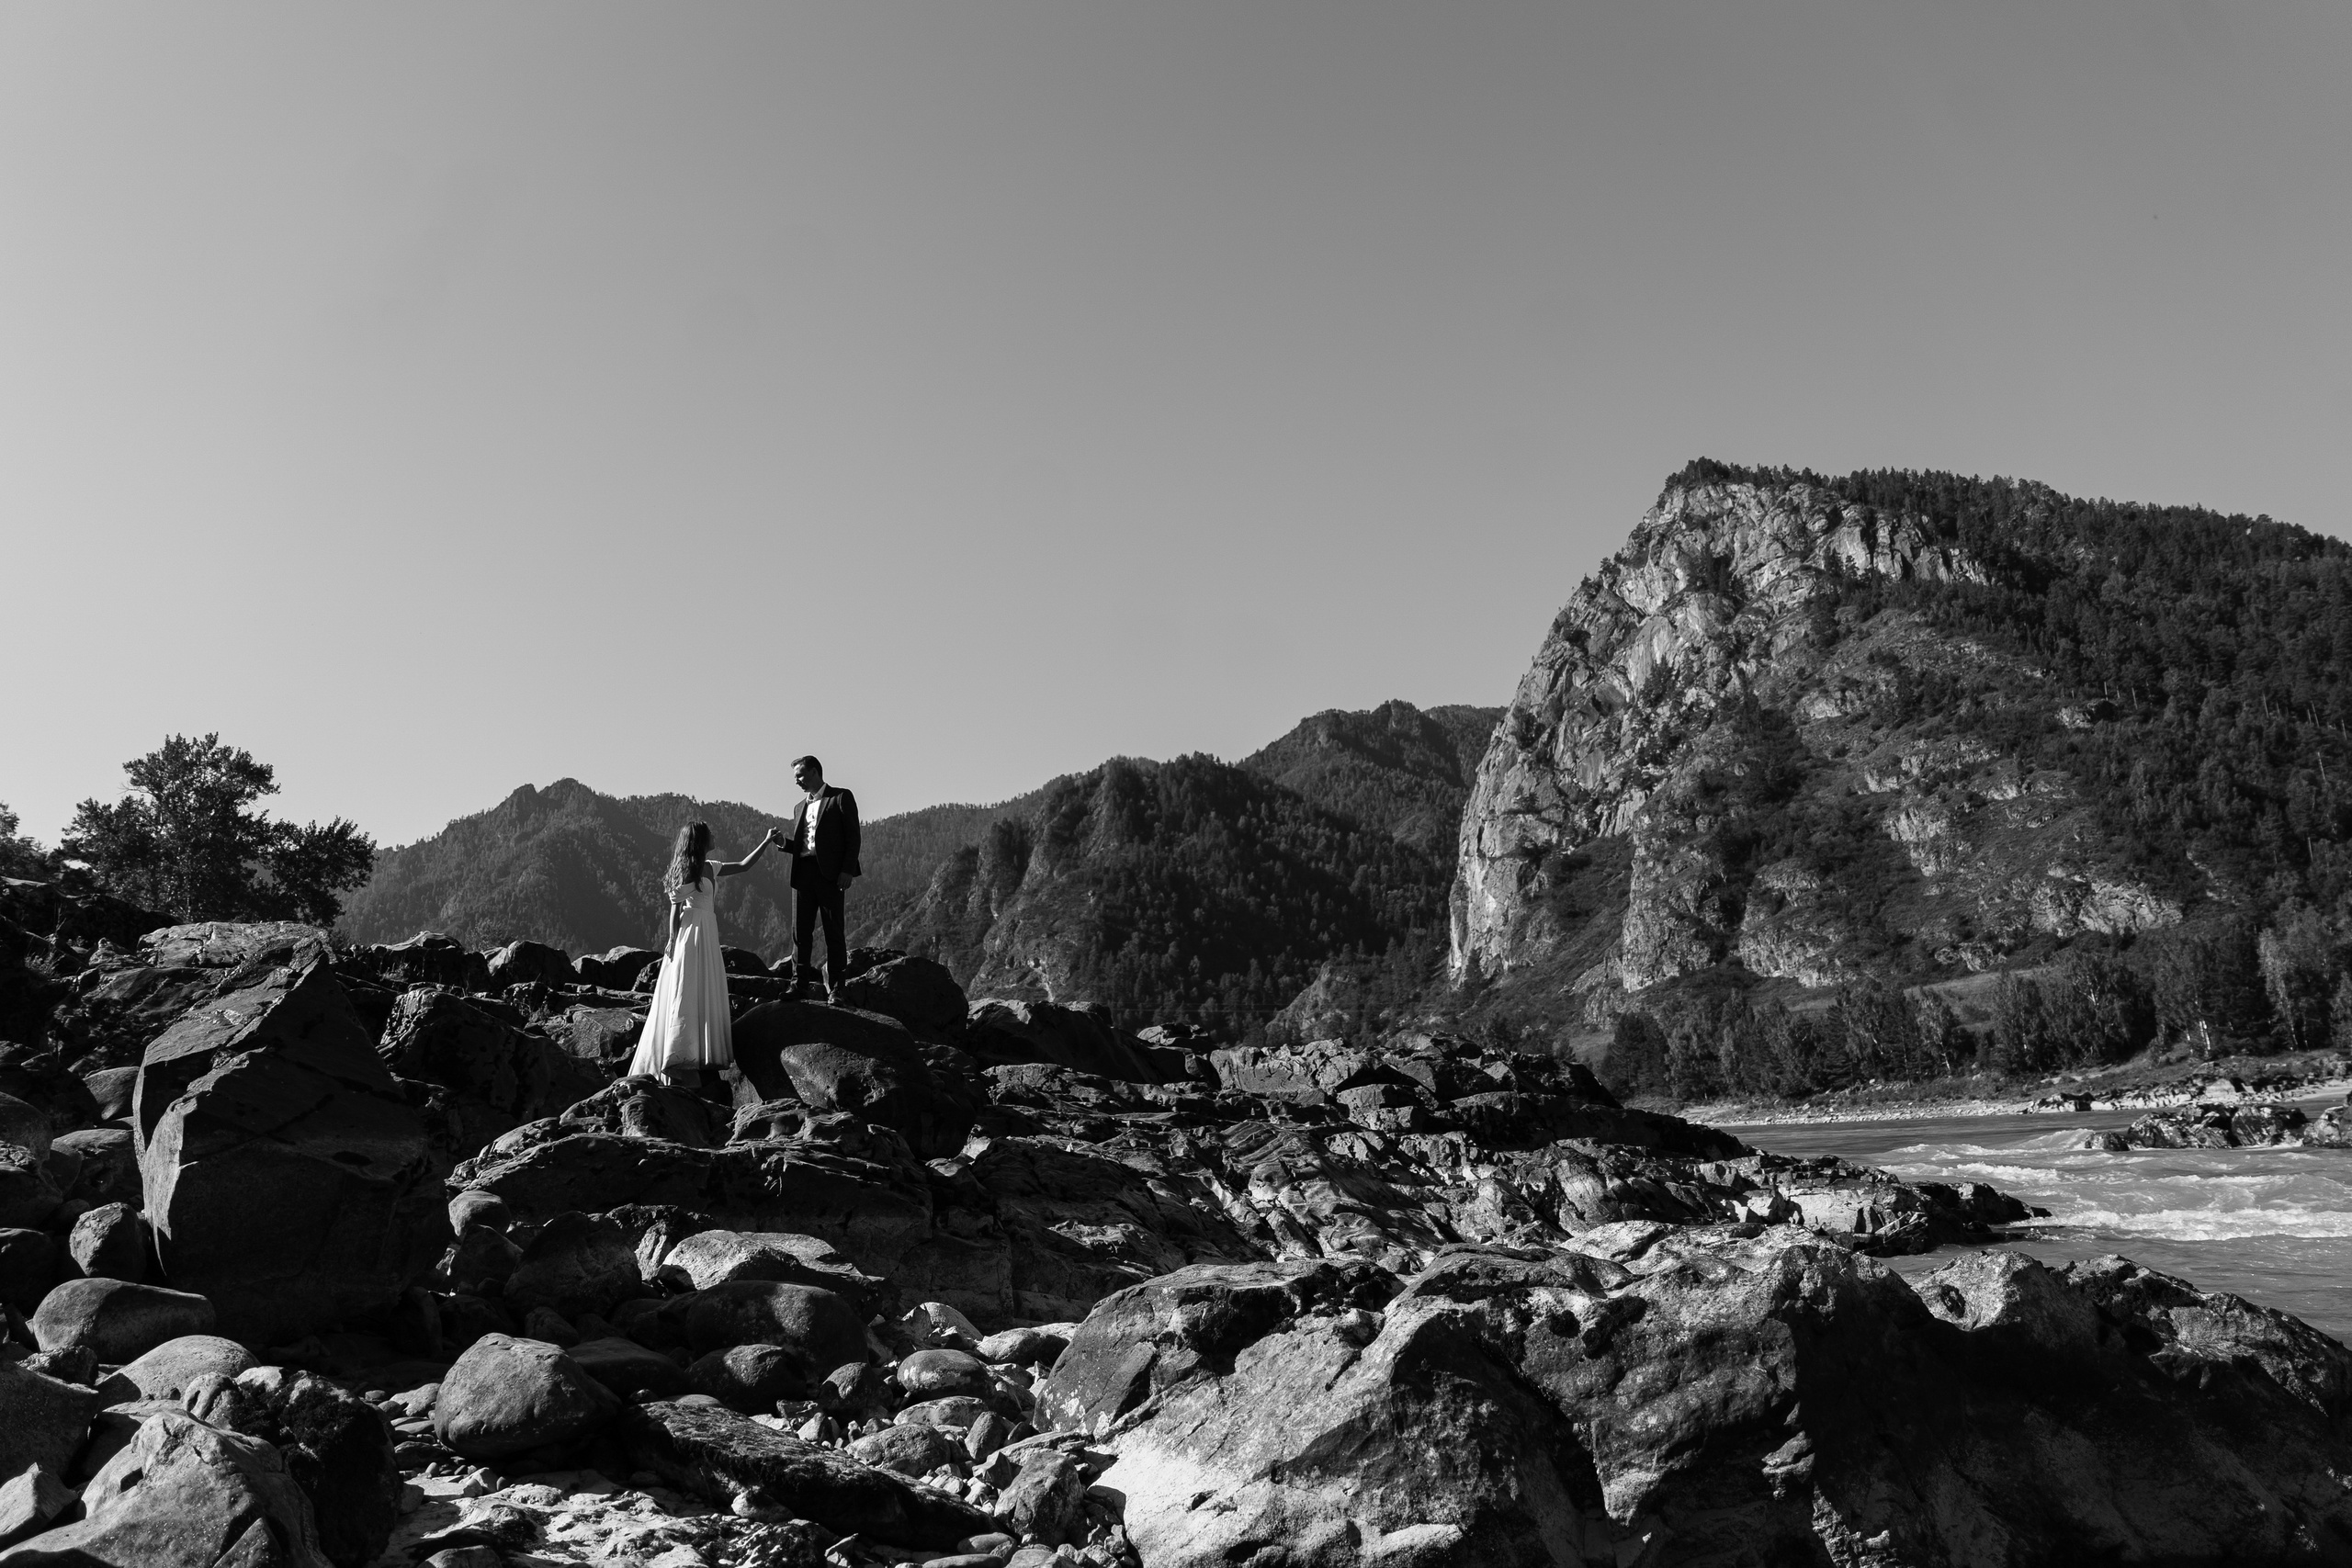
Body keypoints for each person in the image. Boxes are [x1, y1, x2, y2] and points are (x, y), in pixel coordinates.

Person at [627, 819, 780, 1087]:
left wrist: (766, 842)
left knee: (702, 988)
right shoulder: (690, 870)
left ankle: (695, 1053)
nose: (715, 836)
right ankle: (679, 1060)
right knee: (687, 990)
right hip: (692, 933)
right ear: (700, 841)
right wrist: (672, 940)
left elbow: (744, 865)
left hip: (706, 929)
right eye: (710, 834)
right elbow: (675, 908)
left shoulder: (710, 867)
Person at [779, 755, 860, 1001]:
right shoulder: (798, 808)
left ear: (815, 772)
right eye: (795, 777)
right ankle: (798, 986)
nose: (797, 781)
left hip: (832, 876)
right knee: (800, 933)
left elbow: (853, 837)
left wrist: (847, 870)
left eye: (800, 775)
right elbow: (805, 845)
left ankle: (837, 989)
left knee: (833, 932)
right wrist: (784, 843)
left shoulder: (840, 797)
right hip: (803, 873)